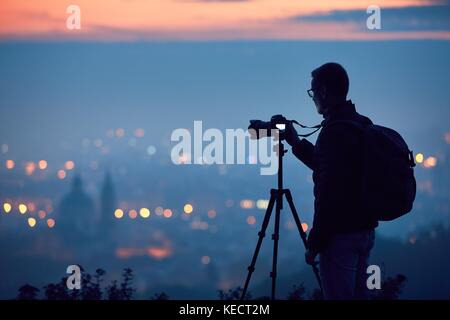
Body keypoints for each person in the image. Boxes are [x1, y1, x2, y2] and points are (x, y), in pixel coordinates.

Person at [284, 62, 378, 300]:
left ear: (324, 92)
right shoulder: (360, 123)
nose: (313, 97)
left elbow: (327, 193)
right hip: (365, 230)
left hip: (341, 236)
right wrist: (296, 143)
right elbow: (331, 168)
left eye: (313, 91)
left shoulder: (334, 132)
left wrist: (315, 241)